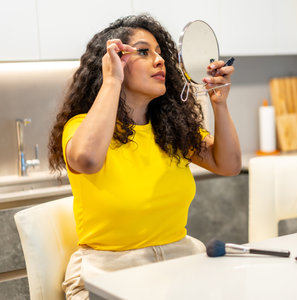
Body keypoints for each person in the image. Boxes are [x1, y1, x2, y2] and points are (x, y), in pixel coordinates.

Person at [48, 14, 241, 299]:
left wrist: (220, 104)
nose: (159, 60)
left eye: (160, 53)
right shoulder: (80, 126)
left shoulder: (174, 131)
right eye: (143, 52)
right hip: (107, 274)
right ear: (113, 60)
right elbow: (87, 160)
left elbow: (229, 165)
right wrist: (113, 80)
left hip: (179, 264)